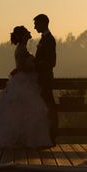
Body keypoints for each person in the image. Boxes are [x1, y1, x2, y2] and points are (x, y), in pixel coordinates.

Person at [33, 14, 58, 147]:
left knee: (49, 107)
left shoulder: (49, 40)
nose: (34, 26)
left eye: (36, 23)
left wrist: (35, 65)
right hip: (41, 79)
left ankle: (52, 137)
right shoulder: (44, 39)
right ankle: (45, 136)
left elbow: (51, 62)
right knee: (44, 108)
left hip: (45, 80)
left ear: (43, 23)